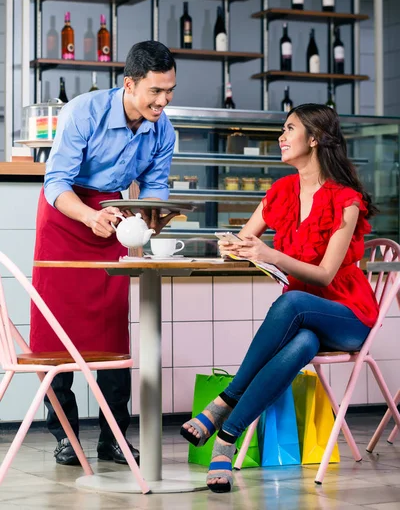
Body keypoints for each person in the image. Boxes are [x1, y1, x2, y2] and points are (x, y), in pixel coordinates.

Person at [180, 103, 379, 493]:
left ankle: (224, 402)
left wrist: (270, 255)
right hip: (306, 320)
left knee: (291, 303)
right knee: (301, 342)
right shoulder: (282, 190)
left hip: (348, 316)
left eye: (290, 129)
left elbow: (324, 274)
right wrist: (233, 246)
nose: (281, 138)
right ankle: (225, 441)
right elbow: (245, 236)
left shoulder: (346, 201)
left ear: (315, 139)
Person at [31, 40, 178, 466]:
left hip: (114, 217)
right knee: (53, 333)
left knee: (113, 332)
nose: (163, 101)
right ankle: (65, 437)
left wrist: (152, 219)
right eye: (155, 91)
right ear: (130, 84)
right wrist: (87, 216)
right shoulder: (84, 111)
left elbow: (154, 185)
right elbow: (55, 181)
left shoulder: (163, 128)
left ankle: (113, 436)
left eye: (169, 91)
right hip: (65, 218)